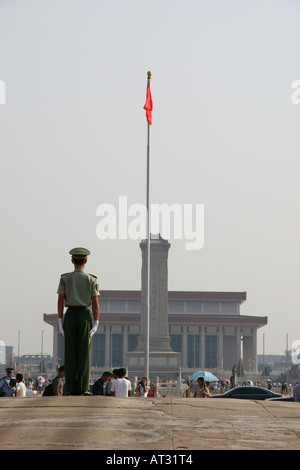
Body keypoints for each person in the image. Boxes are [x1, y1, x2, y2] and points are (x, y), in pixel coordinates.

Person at [57, 247, 100, 395]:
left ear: (72, 261)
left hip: (70, 315)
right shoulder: (91, 279)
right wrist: (96, 322)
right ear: (86, 261)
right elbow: (95, 302)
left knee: (70, 353)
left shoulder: (65, 278)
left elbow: (60, 300)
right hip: (84, 315)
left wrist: (60, 320)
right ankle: (83, 387)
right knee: (83, 353)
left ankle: (70, 388)